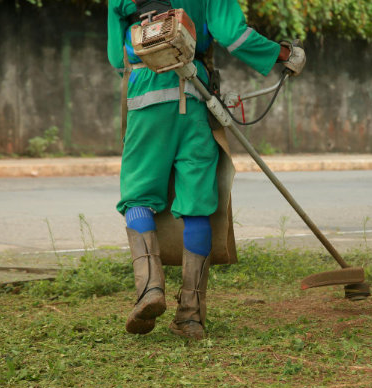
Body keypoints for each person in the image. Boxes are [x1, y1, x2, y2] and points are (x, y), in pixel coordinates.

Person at [107, 0, 305, 339]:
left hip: (145, 98)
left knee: (137, 196)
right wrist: (283, 54)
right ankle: (191, 316)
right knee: (197, 203)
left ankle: (150, 287)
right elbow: (234, 35)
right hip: (195, 96)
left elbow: (116, 58)